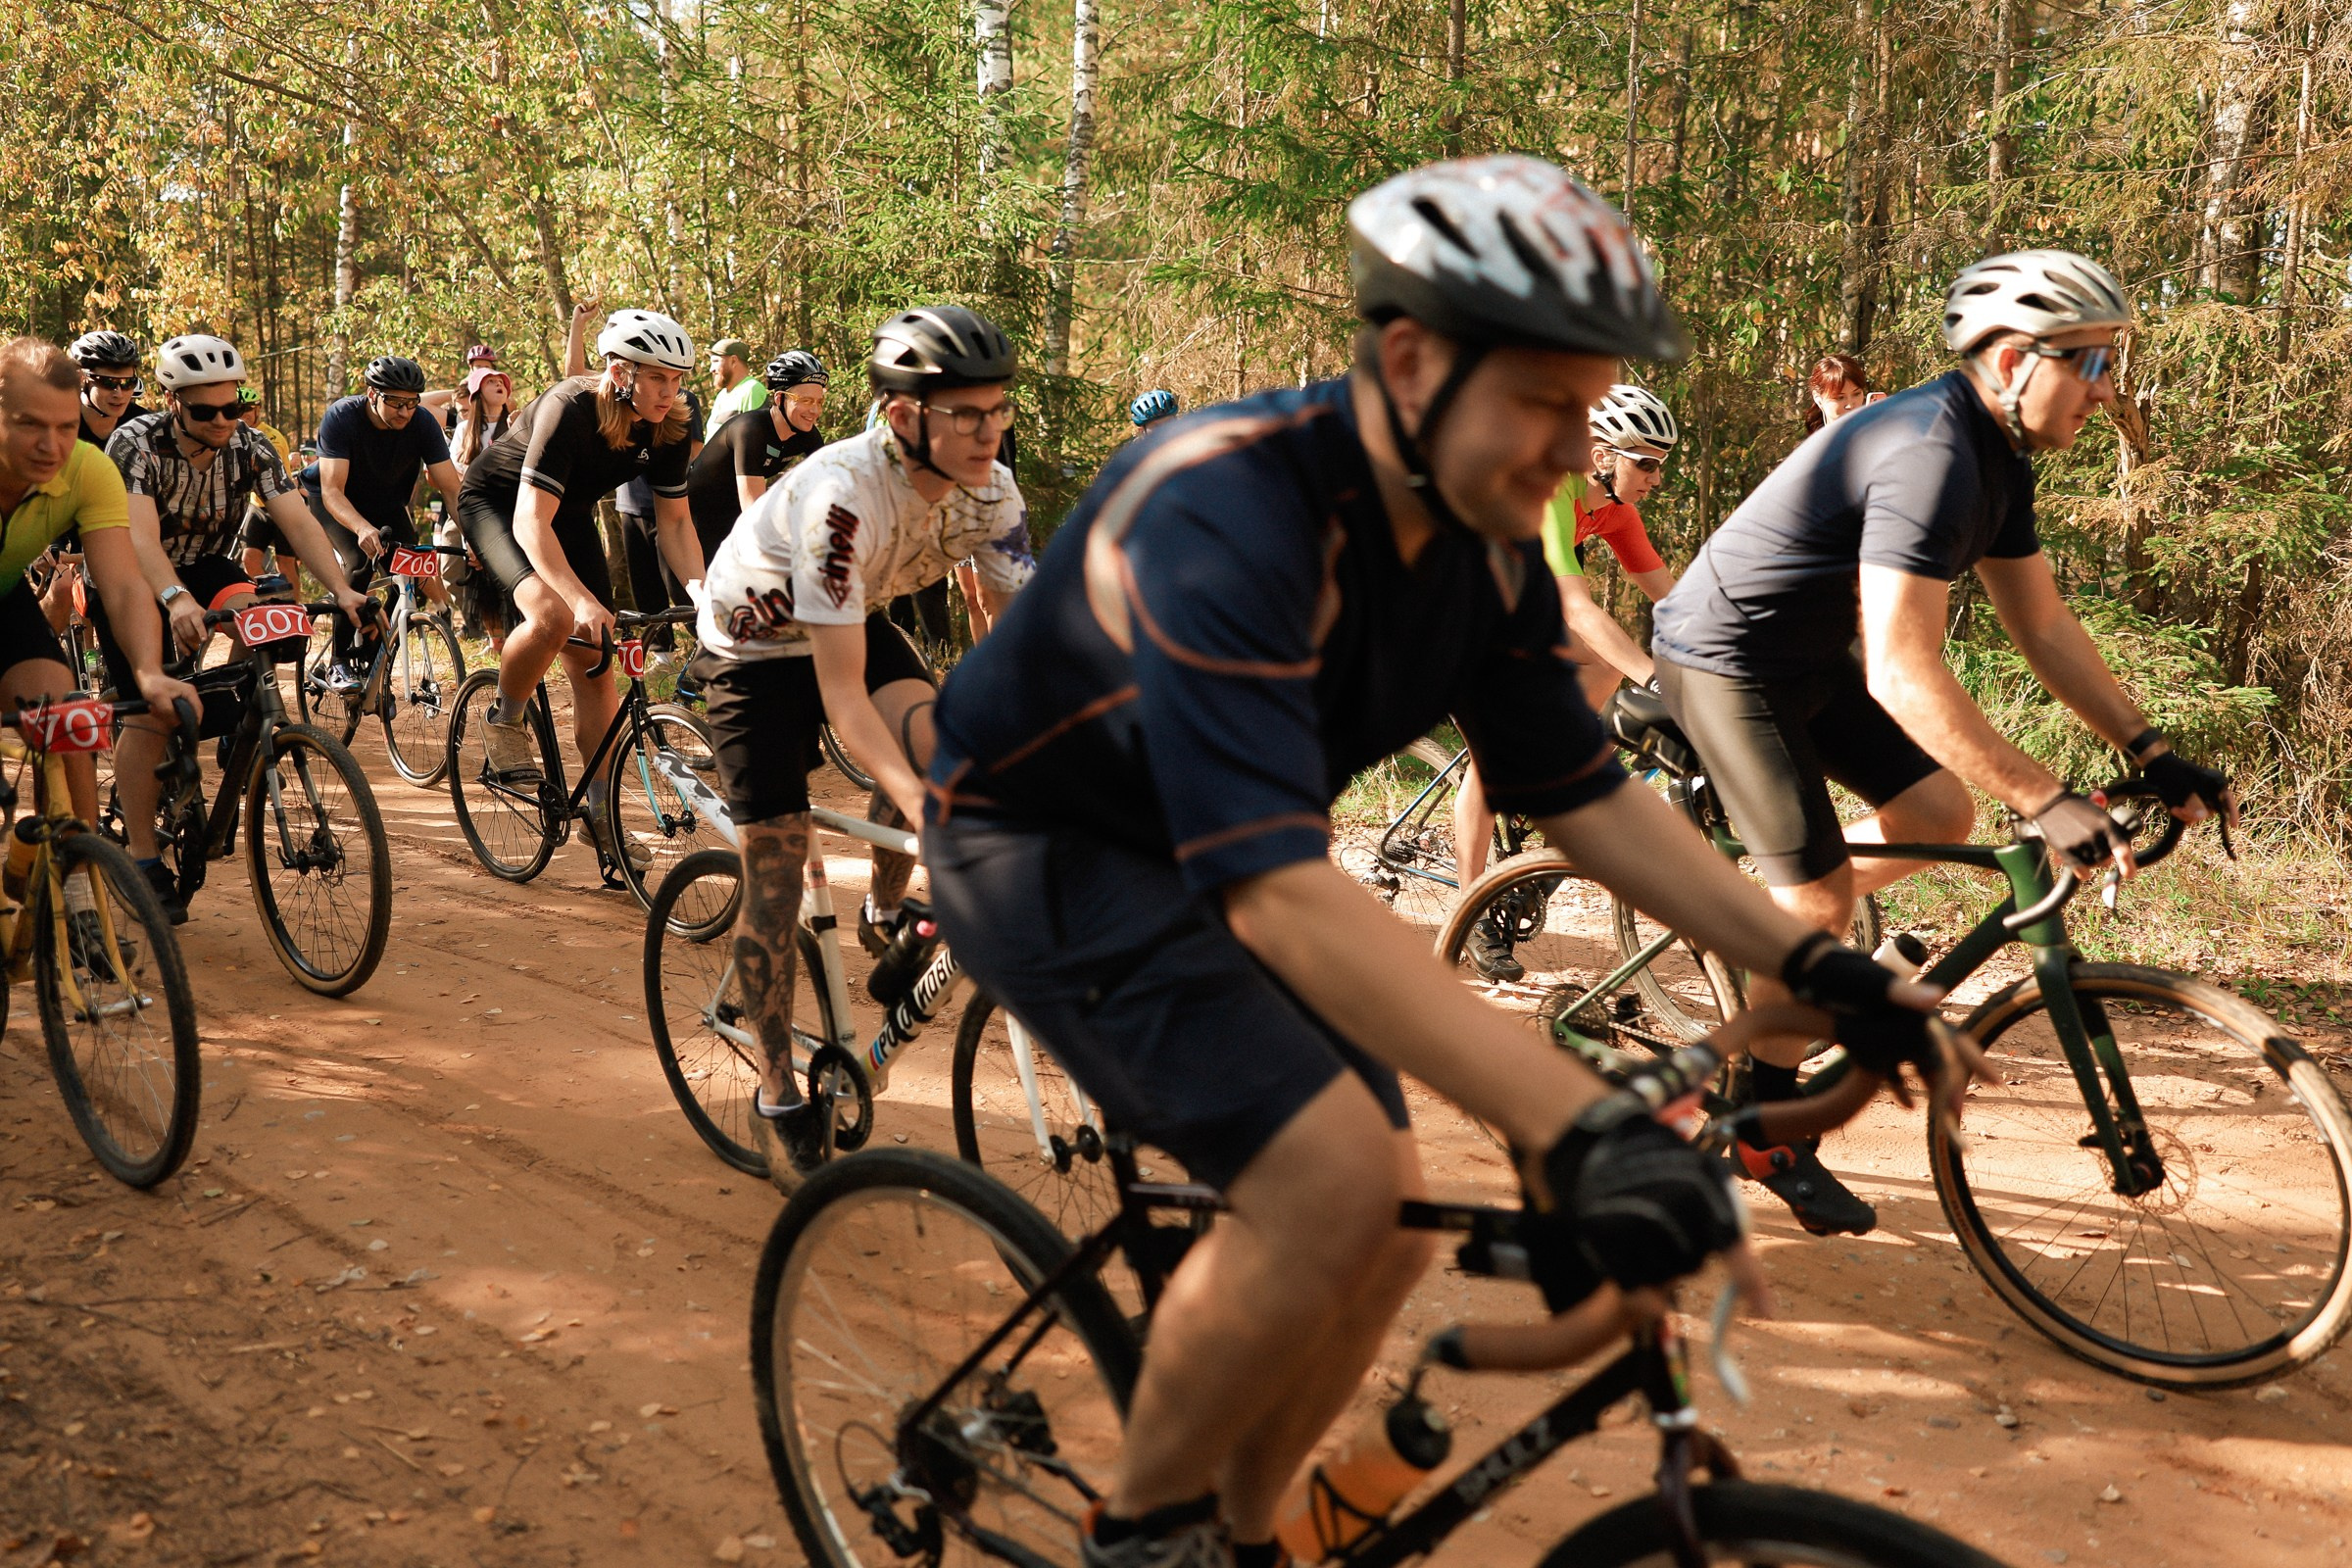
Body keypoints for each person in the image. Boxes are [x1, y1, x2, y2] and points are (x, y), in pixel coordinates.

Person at [922, 156, 1945, 1568]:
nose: (1574, 453)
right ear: (1409, 360)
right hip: (1041, 843)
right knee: (1335, 1178)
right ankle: (1141, 1534)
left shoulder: (1483, 542)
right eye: (1544, 403)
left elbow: (1583, 797)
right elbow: (1279, 891)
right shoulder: (1225, 509)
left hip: (1217, 837)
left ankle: (1244, 1534)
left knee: (1390, 1222)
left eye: (1587, 414)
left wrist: (1818, 960)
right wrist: (1584, 1132)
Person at [1649, 249, 2237, 1238]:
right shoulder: (1931, 450)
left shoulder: (1998, 460)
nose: (2106, 390)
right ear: (2013, 360)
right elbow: (1901, 669)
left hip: (1807, 654)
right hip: (1723, 656)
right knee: (1823, 896)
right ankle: (1762, 1123)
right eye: (2089, 363)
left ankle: (1772, 926)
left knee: (1935, 814)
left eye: (2110, 364)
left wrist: (2150, 749)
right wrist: (2045, 797)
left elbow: (2042, 626)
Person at [691, 306, 1033, 1189]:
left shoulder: (993, 494)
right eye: (966, 414)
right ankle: (774, 1093)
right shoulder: (844, 496)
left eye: (997, 411)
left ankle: (901, 913)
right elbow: (845, 702)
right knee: (778, 867)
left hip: (850, 622)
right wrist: (925, 810)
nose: (987, 431)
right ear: (903, 416)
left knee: (949, 745)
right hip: (753, 652)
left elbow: (1029, 634)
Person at [104, 334, 372, 919]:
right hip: (130, 573)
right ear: (174, 404)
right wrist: (173, 600)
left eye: (233, 405)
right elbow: (140, 541)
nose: (224, 419)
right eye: (206, 411)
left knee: (269, 625)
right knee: (151, 711)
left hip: (206, 565)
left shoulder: (251, 446)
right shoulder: (136, 443)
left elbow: (299, 523)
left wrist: (344, 589)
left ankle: (246, 721)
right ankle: (145, 859)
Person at [456, 309, 706, 870]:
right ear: (620, 373)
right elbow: (528, 523)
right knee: (554, 617)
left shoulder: (671, 424)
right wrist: (581, 598)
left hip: (564, 513)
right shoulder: (570, 407)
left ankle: (601, 817)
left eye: (678, 378)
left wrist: (704, 595)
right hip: (499, 506)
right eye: (657, 378)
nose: (670, 391)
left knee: (597, 663)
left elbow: (676, 525)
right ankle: (506, 717)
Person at [1454, 382, 1685, 976]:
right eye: (1647, 462)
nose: (1656, 477)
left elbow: (1671, 597)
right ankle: (1470, 909)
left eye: (1661, 464)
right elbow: (1578, 610)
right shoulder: (1553, 491)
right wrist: (1655, 679)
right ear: (1604, 454)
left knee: (1603, 666)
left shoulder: (1612, 509)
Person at [0, 338, 199, 842]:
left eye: (66, 427)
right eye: (29, 425)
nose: (52, 445)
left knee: (68, 721)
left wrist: (149, 673)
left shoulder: (91, 470)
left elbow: (126, 584)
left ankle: (75, 877)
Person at [296, 356, 463, 687]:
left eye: (411, 403)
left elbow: (451, 489)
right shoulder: (342, 417)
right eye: (395, 402)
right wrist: (360, 527)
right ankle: (339, 660)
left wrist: (473, 541)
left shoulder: (423, 423)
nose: (404, 411)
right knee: (360, 561)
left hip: (386, 503)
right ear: (372, 394)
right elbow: (332, 492)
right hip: (334, 500)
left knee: (415, 572)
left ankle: (374, 653)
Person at [70, 332, 148, 449]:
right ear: (82, 379)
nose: (119, 394)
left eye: (127, 383)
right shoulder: (60, 423)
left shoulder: (144, 427)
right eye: (108, 382)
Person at [1801, 351, 1879, 433]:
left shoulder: (1876, 436)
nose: (1850, 405)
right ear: (1818, 398)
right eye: (1840, 397)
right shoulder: (1815, 445)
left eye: (1856, 394)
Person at [705, 337, 768, 430]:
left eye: (716, 361)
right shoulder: (721, 395)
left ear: (733, 361)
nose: (711, 369)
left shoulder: (751, 389)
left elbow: (754, 437)